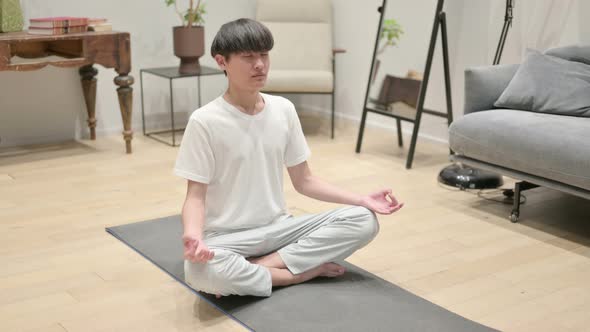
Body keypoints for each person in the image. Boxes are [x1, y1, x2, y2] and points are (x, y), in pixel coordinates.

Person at [174, 18, 403, 298]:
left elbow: (305, 181)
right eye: (248, 57)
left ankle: (261, 269)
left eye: (264, 55)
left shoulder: (283, 109)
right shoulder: (204, 121)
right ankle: (301, 273)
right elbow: (195, 197)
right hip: (228, 239)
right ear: (222, 61)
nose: (260, 64)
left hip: (280, 228)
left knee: (363, 220)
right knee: (199, 272)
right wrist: (195, 237)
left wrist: (361, 200)